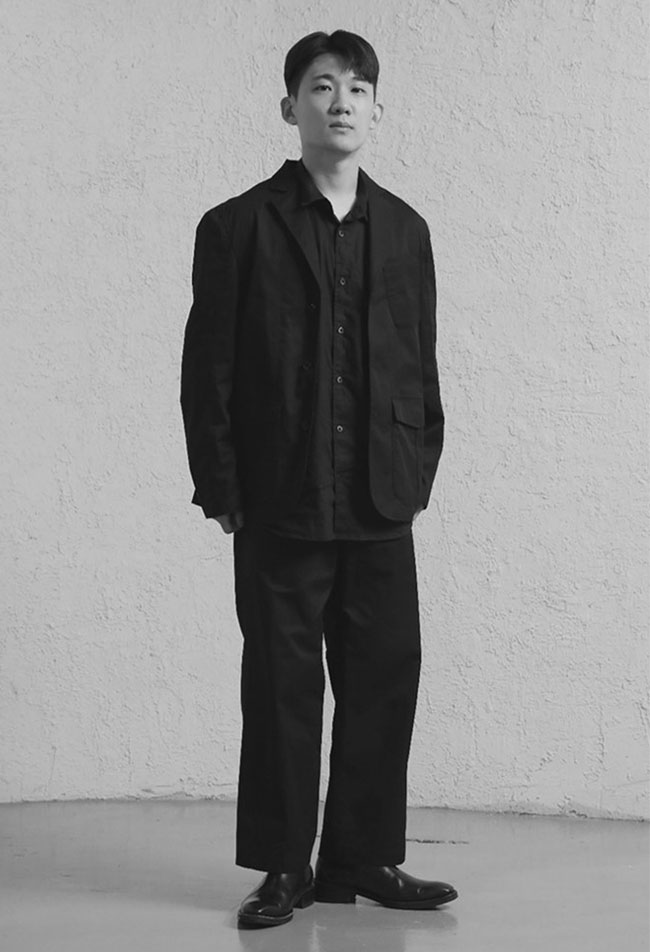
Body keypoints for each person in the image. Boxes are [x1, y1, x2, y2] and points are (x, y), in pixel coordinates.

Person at [180, 29, 458, 929]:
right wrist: (222, 488)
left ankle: (361, 857)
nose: (341, 101)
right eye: (321, 85)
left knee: (385, 676)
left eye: (357, 89)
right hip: (279, 500)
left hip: (379, 499)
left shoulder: (406, 231)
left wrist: (416, 471)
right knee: (281, 686)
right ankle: (284, 868)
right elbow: (209, 371)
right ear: (290, 106)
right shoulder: (236, 228)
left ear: (378, 111)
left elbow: (420, 367)